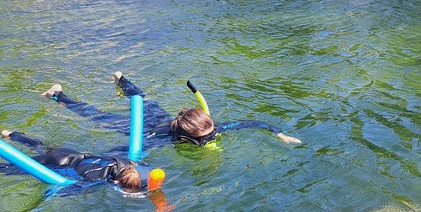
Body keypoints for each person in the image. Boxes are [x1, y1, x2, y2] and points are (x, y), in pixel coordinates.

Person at [41, 72, 302, 148]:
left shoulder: (207, 129)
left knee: (141, 98)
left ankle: (121, 79)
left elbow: (253, 122)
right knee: (97, 116)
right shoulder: (161, 141)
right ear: (187, 138)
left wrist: (279, 134)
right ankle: (57, 95)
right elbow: (124, 154)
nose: (213, 137)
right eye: (207, 139)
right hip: (145, 130)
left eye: (212, 133)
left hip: (163, 117)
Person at [0, 130, 150, 193]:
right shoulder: (96, 179)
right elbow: (69, 189)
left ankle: (12, 135)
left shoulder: (125, 162)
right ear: (118, 183)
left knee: (40, 146)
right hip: (57, 165)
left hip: (72, 153)